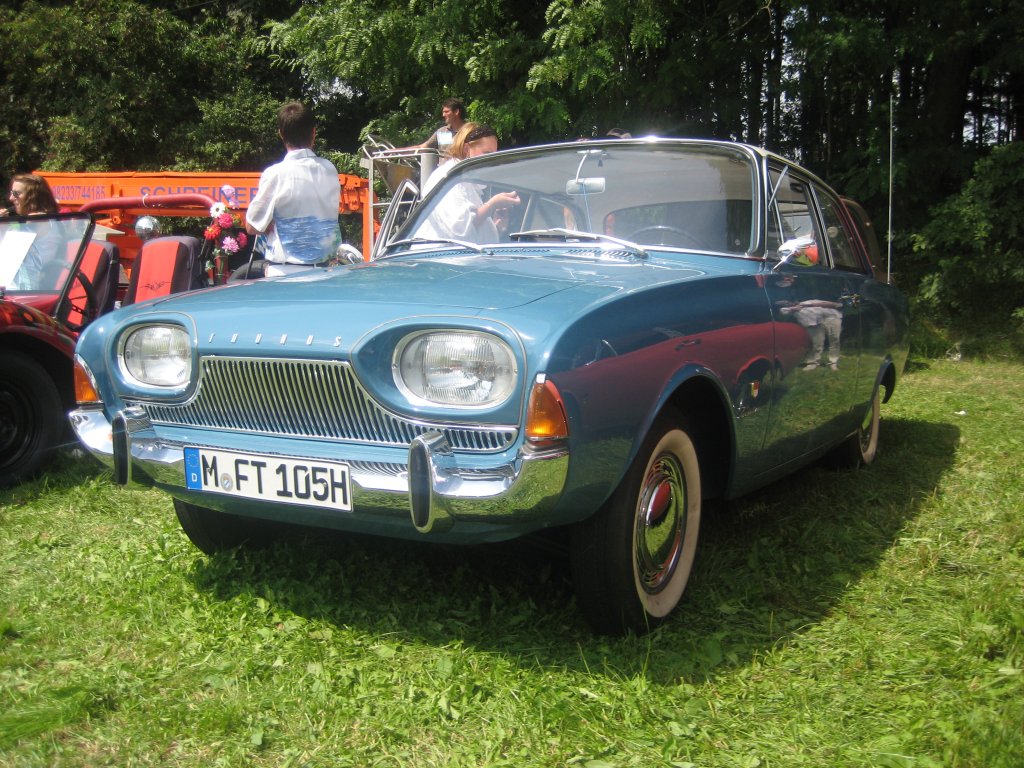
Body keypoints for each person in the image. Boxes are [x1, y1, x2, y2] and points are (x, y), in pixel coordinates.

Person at [245, 101, 341, 277]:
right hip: (328, 271)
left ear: (281, 134)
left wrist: (270, 224)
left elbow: (252, 226)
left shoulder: (276, 174)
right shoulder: (329, 169)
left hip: (286, 272)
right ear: (313, 132)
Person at [416, 123, 520, 244]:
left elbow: (472, 234)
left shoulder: (467, 182)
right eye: (486, 154)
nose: (491, 161)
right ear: (466, 149)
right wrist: (492, 205)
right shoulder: (448, 177)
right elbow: (460, 228)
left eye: (493, 156)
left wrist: (496, 226)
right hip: (439, 255)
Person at [3, 174, 66, 290]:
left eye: (16, 194)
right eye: (11, 193)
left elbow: (9, 254)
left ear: (32, 197)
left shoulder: (36, 221)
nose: (11, 198)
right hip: (18, 284)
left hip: (25, 288)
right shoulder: (48, 220)